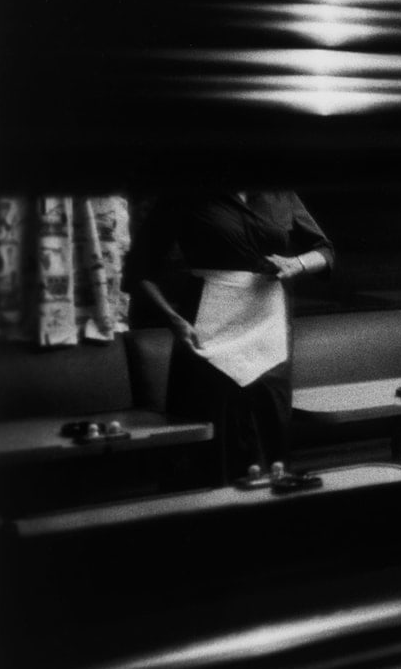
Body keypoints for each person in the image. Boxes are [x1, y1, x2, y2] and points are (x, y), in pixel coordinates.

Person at [124, 189, 334, 489]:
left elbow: (325, 251)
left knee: (271, 438)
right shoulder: (185, 192)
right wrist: (173, 320)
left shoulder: (280, 194)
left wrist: (296, 263)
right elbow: (138, 271)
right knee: (214, 443)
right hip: (207, 328)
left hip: (269, 329)